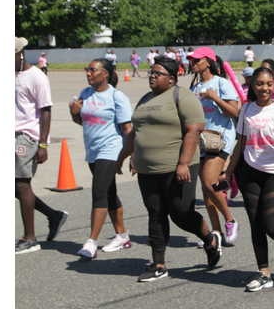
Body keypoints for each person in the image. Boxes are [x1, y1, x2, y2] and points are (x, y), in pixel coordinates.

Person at [115, 56, 222, 282]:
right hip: (147, 170)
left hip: (177, 168)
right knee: (155, 213)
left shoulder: (182, 97)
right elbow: (136, 132)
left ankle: (210, 240)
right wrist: (123, 157)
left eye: (158, 73)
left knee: (181, 214)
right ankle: (159, 264)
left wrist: (183, 163)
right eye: (151, 73)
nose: (152, 76)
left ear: (171, 79)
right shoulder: (145, 99)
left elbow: (194, 130)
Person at [222, 66, 274, 291]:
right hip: (250, 171)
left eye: (268, 84)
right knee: (255, 223)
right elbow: (239, 144)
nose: (264, 88)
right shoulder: (247, 109)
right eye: (259, 84)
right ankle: (264, 273)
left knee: (270, 224)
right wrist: (227, 173)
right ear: (252, 86)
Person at [69, 58, 132, 258]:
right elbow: (84, 121)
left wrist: (131, 155)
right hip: (93, 151)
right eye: (87, 69)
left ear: (105, 74)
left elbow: (127, 129)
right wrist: (74, 114)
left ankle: (91, 242)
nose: (88, 73)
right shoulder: (85, 94)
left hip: (111, 149)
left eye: (92, 70)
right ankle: (122, 236)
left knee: (99, 193)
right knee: (109, 193)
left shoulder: (117, 97)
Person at [15, 37, 68, 254]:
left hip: (27, 136)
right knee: (15, 187)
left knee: (21, 184)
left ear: (20, 54)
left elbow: (46, 110)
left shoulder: (36, 77)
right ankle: (54, 216)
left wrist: (43, 145)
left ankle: (30, 238)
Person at [188, 47, 241, 247]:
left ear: (208, 61)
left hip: (221, 138)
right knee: (206, 187)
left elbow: (235, 112)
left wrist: (215, 98)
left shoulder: (221, 83)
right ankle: (216, 232)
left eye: (196, 60)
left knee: (209, 182)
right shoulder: (194, 88)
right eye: (191, 60)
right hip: (201, 140)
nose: (192, 63)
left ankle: (230, 220)